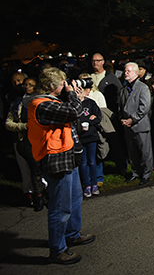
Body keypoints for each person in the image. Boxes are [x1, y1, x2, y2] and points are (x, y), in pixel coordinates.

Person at [26, 67, 95, 265]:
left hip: (67, 155)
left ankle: (72, 234)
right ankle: (57, 249)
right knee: (60, 207)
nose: (65, 85)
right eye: (62, 82)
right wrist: (72, 94)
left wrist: (70, 95)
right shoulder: (41, 105)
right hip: (55, 158)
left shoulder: (53, 101)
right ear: (52, 85)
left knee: (74, 199)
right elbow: (74, 111)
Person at [5, 77, 44, 209]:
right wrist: (23, 126)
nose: (27, 87)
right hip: (23, 139)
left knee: (40, 169)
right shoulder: (18, 103)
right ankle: (34, 197)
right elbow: (8, 123)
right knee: (27, 170)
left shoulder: (41, 100)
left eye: (30, 85)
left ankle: (44, 194)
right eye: (25, 85)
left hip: (40, 140)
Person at [119, 62, 153, 185]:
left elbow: (144, 107)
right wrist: (122, 119)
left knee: (144, 151)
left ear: (135, 72)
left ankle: (146, 173)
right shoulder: (123, 89)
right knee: (132, 152)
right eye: (125, 71)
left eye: (128, 71)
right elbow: (121, 106)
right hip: (128, 126)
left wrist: (132, 119)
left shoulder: (142, 88)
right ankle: (135, 172)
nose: (125, 73)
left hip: (140, 125)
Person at [77, 82, 103, 198]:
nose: (79, 94)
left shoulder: (90, 103)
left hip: (91, 136)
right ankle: (86, 185)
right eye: (76, 92)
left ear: (86, 92)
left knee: (92, 161)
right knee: (83, 162)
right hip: (80, 137)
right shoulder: (73, 105)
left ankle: (94, 184)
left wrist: (91, 120)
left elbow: (99, 117)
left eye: (80, 92)